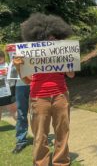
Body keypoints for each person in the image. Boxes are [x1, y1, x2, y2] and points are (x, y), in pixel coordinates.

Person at [13, 13, 75, 166]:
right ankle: (41, 163)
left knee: (62, 132)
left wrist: (69, 61)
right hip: (39, 98)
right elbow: (27, 80)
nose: (52, 40)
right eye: (48, 37)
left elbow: (71, 75)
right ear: (40, 38)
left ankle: (61, 162)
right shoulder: (31, 56)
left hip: (61, 95)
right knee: (40, 135)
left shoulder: (62, 53)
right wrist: (18, 67)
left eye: (54, 37)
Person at [0, 50, 17, 122]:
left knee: (14, 110)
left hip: (9, 90)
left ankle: (21, 126)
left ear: (3, 57)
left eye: (0, 58)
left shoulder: (9, 65)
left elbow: (16, 76)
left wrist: (8, 74)